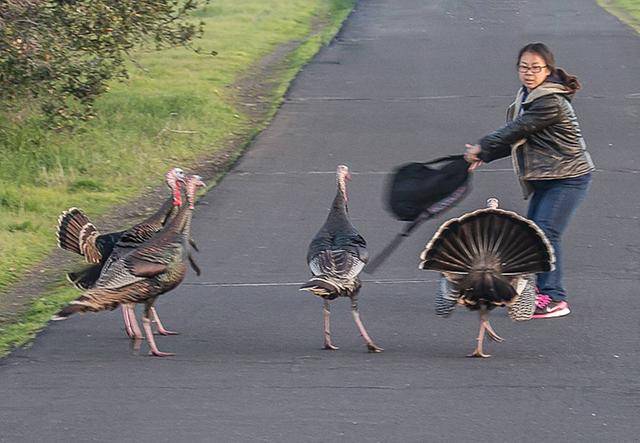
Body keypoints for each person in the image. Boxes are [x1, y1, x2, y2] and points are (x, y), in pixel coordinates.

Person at [464, 42, 594, 319]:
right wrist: (484, 155)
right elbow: (518, 139)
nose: (529, 73)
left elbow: (516, 129)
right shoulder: (527, 96)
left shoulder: (549, 101)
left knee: (546, 233)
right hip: (547, 178)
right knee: (534, 235)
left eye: (536, 68)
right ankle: (538, 293)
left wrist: (482, 145)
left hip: (569, 177)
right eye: (524, 67)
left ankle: (555, 299)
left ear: (547, 70)